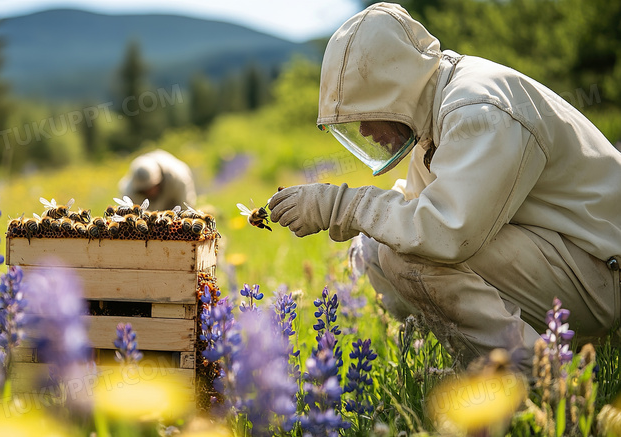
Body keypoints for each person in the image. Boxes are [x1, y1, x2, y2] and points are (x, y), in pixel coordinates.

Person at [269, 2, 621, 371]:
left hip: (601, 274)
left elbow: (445, 232)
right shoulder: (436, 108)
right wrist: (363, 231)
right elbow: (425, 207)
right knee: (379, 243)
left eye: (366, 116)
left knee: (407, 252)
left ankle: (534, 378)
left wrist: (343, 206)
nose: (365, 132)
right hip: (572, 262)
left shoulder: (478, 109)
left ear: (395, 92)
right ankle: (487, 358)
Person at [118, 149, 197, 211]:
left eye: (151, 187)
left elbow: (186, 206)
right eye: (144, 190)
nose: (149, 192)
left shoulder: (179, 177)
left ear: (159, 179)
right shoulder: (128, 190)